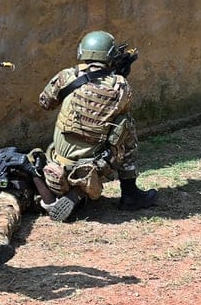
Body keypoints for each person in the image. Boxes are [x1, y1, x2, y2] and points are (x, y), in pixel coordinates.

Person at [38, 30, 158, 222]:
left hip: (57, 163)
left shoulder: (67, 76)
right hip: (95, 166)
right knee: (126, 125)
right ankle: (130, 194)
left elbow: (45, 103)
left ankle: (72, 192)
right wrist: (117, 76)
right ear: (110, 55)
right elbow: (120, 111)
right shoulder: (121, 86)